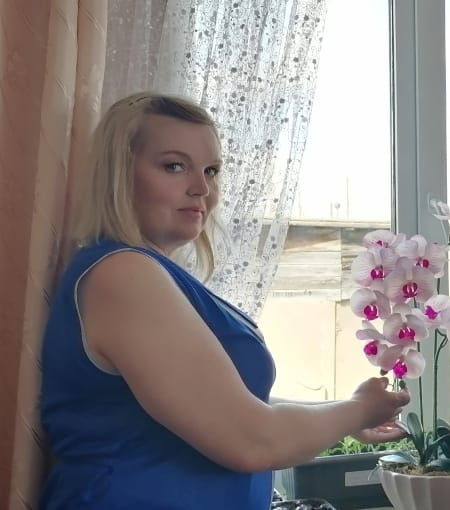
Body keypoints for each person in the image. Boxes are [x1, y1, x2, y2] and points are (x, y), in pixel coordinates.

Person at [39, 92, 410, 510]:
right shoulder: (122, 274)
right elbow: (251, 439)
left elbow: (229, 404)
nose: (202, 188)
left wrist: (344, 412)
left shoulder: (148, 274)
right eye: (174, 166)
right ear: (119, 175)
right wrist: (356, 410)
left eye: (211, 170)